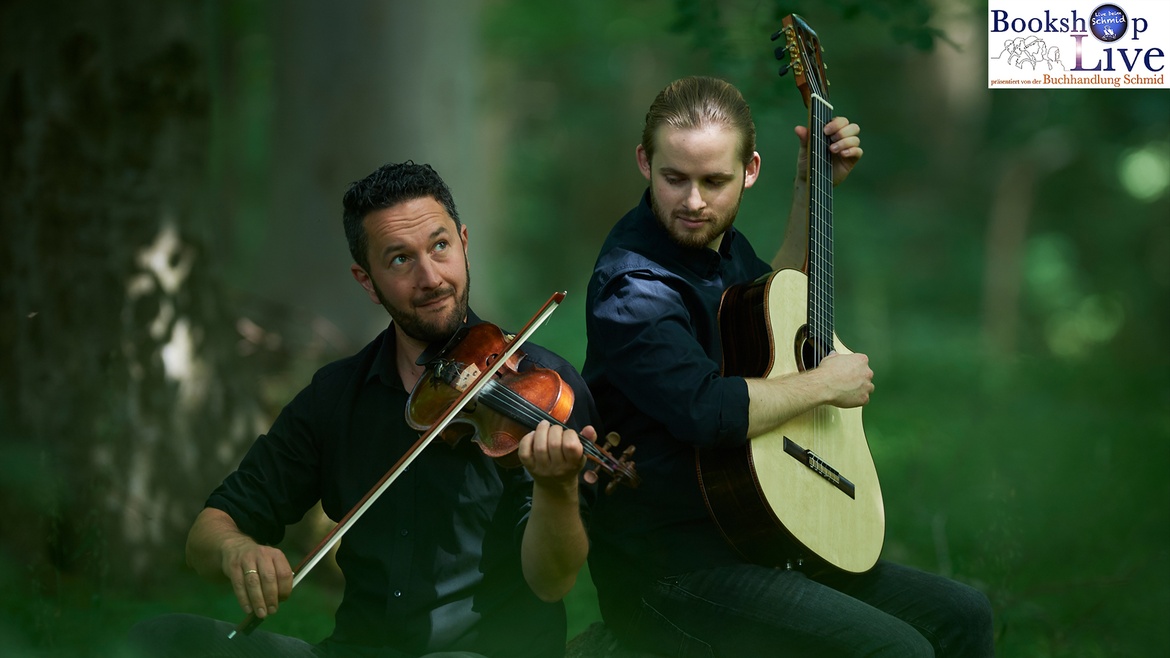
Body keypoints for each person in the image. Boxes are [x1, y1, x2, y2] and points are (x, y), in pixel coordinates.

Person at [582, 76, 994, 657]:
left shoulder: (713, 246)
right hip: (673, 571)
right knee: (898, 650)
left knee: (962, 614)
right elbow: (705, 410)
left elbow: (769, 302)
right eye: (674, 178)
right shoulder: (633, 287)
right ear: (644, 161)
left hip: (758, 536)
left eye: (714, 181)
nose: (694, 201)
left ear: (750, 170)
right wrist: (825, 383)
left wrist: (811, 185)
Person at [128, 161, 600, 658]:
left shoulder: (541, 388)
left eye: (440, 246)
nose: (430, 277)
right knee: (160, 639)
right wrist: (237, 549)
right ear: (367, 280)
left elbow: (552, 581)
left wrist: (556, 486)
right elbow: (209, 531)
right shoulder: (337, 395)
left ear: (463, 242)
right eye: (399, 259)